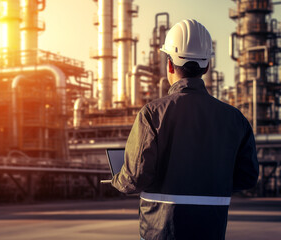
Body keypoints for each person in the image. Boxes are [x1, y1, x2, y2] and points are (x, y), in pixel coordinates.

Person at [111, 19, 259, 240]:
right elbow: (247, 178)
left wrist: (117, 178)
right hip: (211, 230)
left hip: (160, 230)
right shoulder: (235, 119)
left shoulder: (152, 114)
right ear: (207, 66)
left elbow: (136, 178)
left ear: (169, 65)